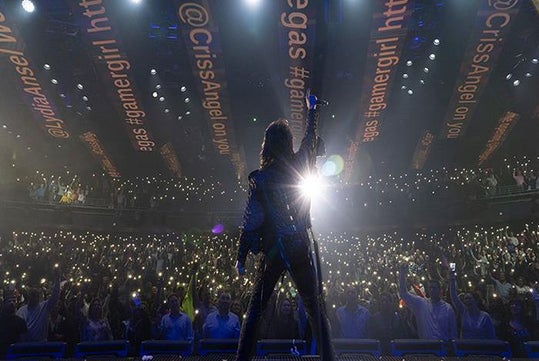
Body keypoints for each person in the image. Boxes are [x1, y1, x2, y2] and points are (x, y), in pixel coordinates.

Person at [234, 92, 335, 361]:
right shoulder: (299, 163)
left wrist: (241, 256)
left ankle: (242, 358)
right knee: (314, 309)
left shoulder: (261, 179)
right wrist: (312, 110)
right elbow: (310, 140)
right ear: (288, 143)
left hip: (274, 251)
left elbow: (250, 219)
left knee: (256, 310)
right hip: (299, 246)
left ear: (266, 145)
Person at [398, 264, 457, 341]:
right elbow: (404, 294)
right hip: (426, 347)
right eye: (430, 288)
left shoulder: (448, 308)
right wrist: (402, 275)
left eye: (434, 288)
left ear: (440, 290)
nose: (432, 290)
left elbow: (453, 332)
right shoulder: (421, 303)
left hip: (443, 348)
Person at [16, 267, 60, 341]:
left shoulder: (44, 307)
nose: (33, 297)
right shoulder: (21, 311)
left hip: (41, 345)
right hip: (25, 346)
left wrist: (57, 279)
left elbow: (55, 296)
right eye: (32, 295)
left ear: (38, 298)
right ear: (28, 296)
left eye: (36, 295)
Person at [449, 270, 496, 339]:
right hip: (466, 348)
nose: (467, 301)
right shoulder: (464, 312)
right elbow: (454, 296)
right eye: (465, 299)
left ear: (476, 300)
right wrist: (452, 278)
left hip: (480, 348)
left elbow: (492, 336)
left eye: (469, 298)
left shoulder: (485, 317)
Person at [0, 291, 27, 358]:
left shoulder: (20, 321)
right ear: (4, 304)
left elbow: (24, 339)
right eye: (9, 301)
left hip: (15, 353)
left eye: (14, 301)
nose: (12, 303)